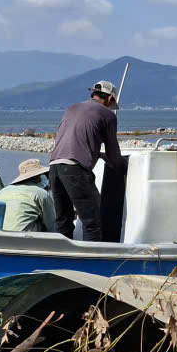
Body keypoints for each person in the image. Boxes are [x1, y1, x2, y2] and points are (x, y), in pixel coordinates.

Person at [48, 80, 126, 241]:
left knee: (63, 221)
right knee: (93, 222)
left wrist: (98, 155)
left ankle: (63, 259)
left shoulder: (72, 108)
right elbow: (113, 151)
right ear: (110, 98)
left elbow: (77, 140)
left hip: (54, 167)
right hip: (74, 170)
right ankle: (93, 262)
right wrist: (123, 168)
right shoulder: (107, 115)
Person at [0, 159, 56, 233]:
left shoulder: (0, 192)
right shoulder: (41, 194)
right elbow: (52, 226)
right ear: (38, 177)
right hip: (25, 240)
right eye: (44, 174)